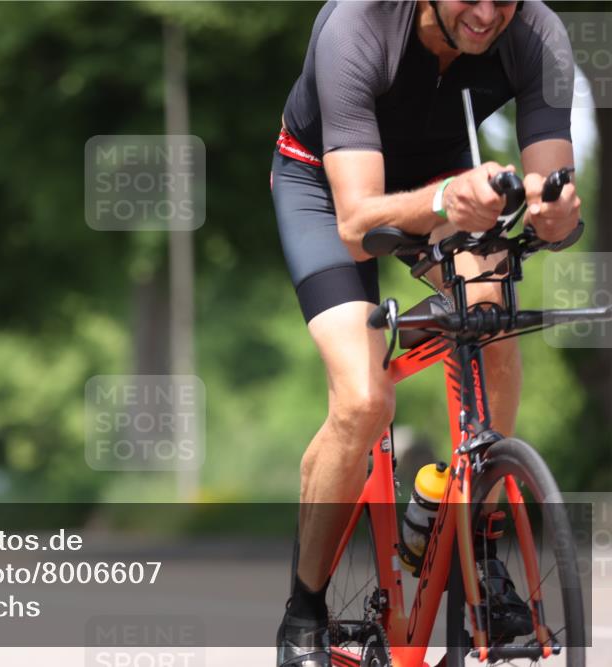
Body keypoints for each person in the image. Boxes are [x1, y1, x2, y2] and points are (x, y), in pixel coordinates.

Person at [269, 2, 580, 665]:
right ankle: (304, 609)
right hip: (328, 191)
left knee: (491, 317)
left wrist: (554, 215)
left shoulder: (538, 34)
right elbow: (357, 222)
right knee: (362, 399)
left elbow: (551, 183)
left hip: (439, 177)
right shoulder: (358, 25)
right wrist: (444, 200)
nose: (489, 13)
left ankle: (468, 535)